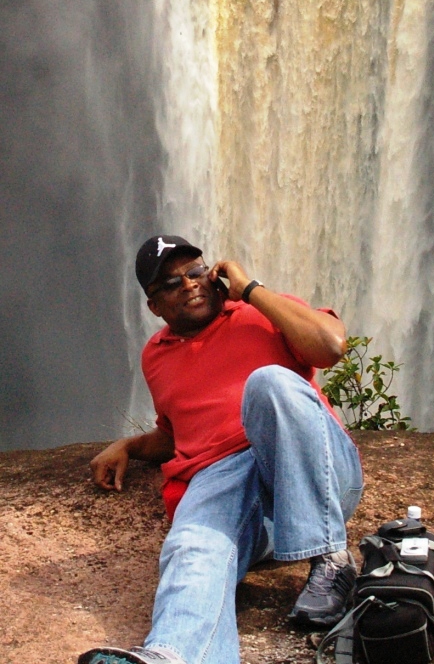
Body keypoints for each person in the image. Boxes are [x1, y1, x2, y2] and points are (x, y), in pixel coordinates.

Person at [79, 235, 363, 664]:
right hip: (233, 493)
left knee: (269, 383)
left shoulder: (265, 310)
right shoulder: (155, 357)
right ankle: (171, 655)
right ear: (153, 306)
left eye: (196, 272)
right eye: (171, 284)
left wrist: (250, 289)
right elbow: (179, 434)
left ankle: (331, 559)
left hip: (313, 474)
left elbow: (330, 347)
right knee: (191, 544)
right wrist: (129, 445)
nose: (190, 284)